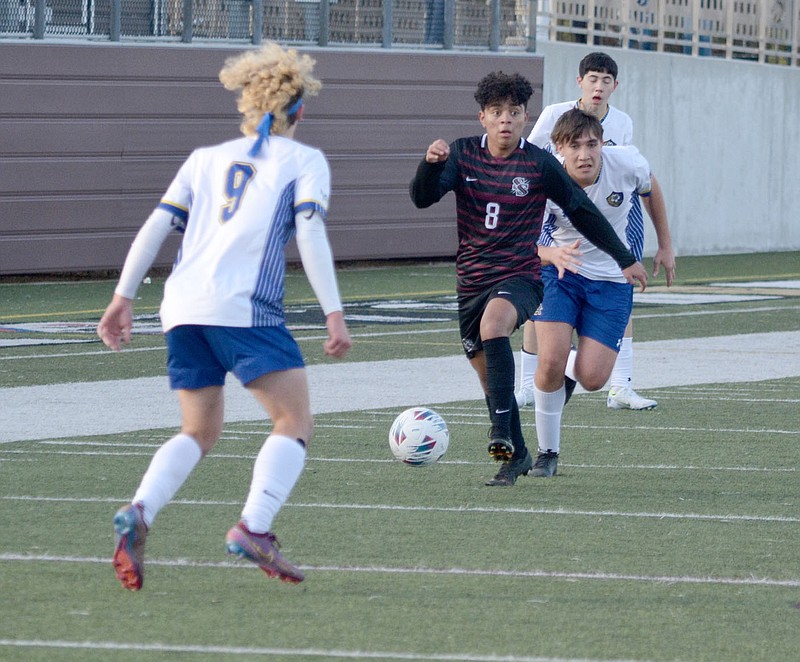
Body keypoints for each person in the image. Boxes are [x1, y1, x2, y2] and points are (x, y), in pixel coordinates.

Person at [97, 42, 352, 590]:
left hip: (182, 307)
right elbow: (309, 231)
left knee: (199, 428)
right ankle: (254, 527)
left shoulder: (204, 158)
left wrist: (123, 296)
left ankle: (140, 510)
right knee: (293, 420)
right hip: (245, 309)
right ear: (299, 111)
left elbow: (157, 225)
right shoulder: (304, 160)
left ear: (246, 104)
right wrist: (334, 311)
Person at [409, 71, 646, 486]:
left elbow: (581, 210)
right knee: (491, 380)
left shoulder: (537, 164)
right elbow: (422, 198)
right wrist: (429, 167)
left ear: (525, 118)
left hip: (521, 275)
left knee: (494, 327)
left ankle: (500, 434)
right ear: (482, 117)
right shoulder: (462, 155)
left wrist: (624, 256)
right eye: (496, 112)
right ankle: (516, 455)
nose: (505, 120)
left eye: (514, 112)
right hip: (471, 281)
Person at [517, 51, 675, 411]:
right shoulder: (554, 122)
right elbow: (531, 158)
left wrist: (665, 243)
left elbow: (648, 184)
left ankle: (618, 384)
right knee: (541, 306)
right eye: (593, 78)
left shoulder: (623, 136)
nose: (599, 86)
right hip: (560, 233)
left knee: (618, 286)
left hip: (612, 223)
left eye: (606, 80)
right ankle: (531, 381)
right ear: (580, 81)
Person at [531, 108, 651, 477]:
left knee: (593, 379)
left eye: (591, 144)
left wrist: (666, 245)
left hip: (612, 282)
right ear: (558, 149)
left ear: (603, 144)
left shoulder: (626, 163)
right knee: (549, 360)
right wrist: (550, 254)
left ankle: (569, 366)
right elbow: (520, 242)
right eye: (574, 146)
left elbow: (652, 188)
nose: (584, 154)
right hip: (561, 274)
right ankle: (547, 453)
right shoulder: (543, 179)